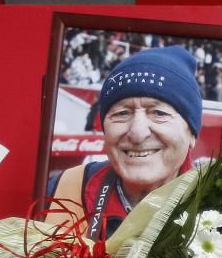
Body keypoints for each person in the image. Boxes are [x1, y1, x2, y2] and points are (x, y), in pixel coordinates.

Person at [47, 45, 203, 240]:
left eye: (158, 113)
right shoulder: (66, 188)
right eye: (122, 113)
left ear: (192, 134)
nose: (137, 133)